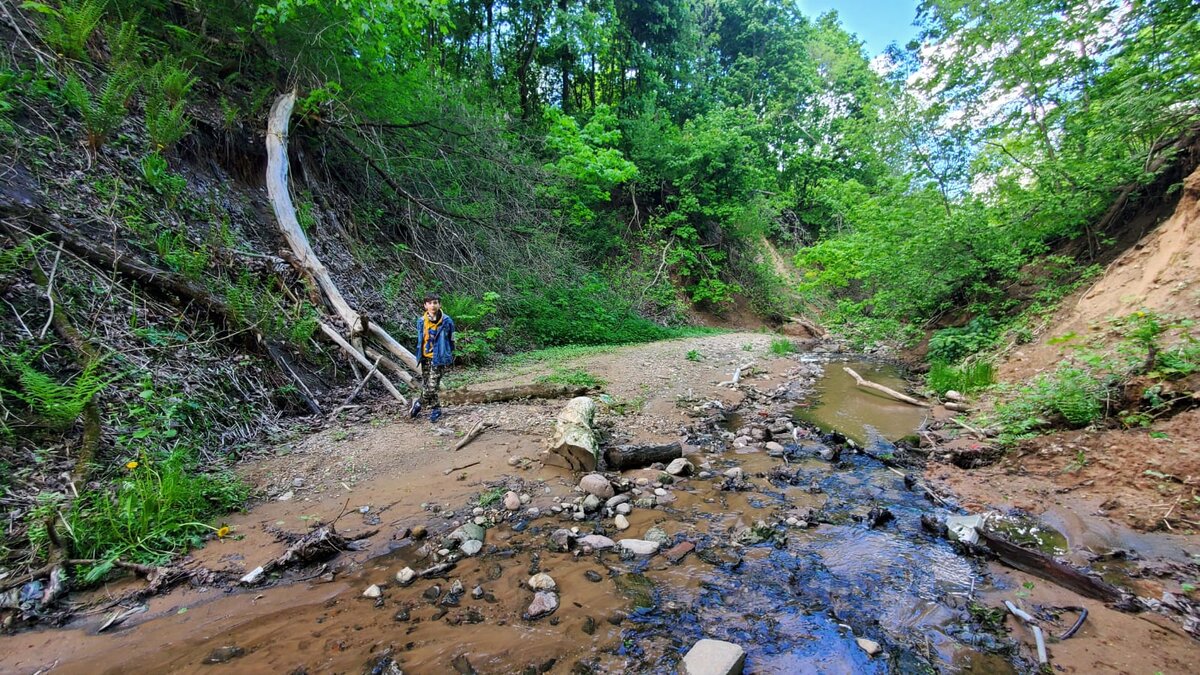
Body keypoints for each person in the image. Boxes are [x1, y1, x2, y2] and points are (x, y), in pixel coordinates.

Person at [410, 294, 454, 422]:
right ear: (425, 306)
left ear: (439, 304)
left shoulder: (447, 321)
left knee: (432, 385)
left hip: (439, 357)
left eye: (435, 302)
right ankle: (436, 409)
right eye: (429, 303)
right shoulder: (421, 321)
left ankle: (419, 403)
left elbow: (452, 338)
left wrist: (449, 353)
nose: (432, 305)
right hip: (425, 357)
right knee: (427, 385)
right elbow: (421, 339)